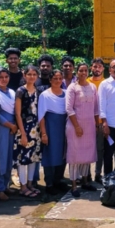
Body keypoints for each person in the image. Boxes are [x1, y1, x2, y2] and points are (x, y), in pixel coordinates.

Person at [64, 64, 99, 196]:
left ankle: (85, 181)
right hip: (74, 126)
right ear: (77, 72)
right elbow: (69, 109)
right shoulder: (72, 87)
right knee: (74, 155)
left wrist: (96, 125)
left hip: (89, 126)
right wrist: (77, 126)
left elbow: (96, 108)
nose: (83, 73)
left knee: (87, 154)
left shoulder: (93, 87)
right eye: (81, 70)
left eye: (85, 70)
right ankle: (74, 185)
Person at [37, 70, 70, 199]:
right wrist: (44, 134)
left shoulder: (67, 93)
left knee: (63, 155)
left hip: (64, 127)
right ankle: (49, 183)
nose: (57, 80)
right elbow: (41, 116)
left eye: (59, 78)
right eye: (55, 78)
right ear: (50, 80)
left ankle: (58, 180)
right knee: (50, 155)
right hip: (51, 127)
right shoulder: (45, 95)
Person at [14, 65, 42, 198]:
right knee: (22, 158)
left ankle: (30, 184)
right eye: (29, 74)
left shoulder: (38, 90)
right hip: (24, 129)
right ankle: (23, 186)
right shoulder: (20, 91)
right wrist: (23, 134)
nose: (32, 77)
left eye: (34, 74)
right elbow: (18, 114)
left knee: (33, 157)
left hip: (35, 129)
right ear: (24, 75)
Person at [0, 68, 18, 201]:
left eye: (6, 77)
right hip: (1, 128)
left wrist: (15, 126)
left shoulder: (12, 92)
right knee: (0, 157)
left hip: (12, 129)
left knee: (9, 157)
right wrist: (10, 125)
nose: (4, 79)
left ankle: (6, 184)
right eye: (1, 77)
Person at [88, 58, 105, 184]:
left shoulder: (106, 83)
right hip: (87, 122)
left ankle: (98, 173)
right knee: (87, 148)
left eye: (99, 66)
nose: (97, 68)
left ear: (103, 69)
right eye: (95, 66)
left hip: (101, 121)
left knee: (100, 149)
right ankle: (86, 174)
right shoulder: (85, 82)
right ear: (91, 68)